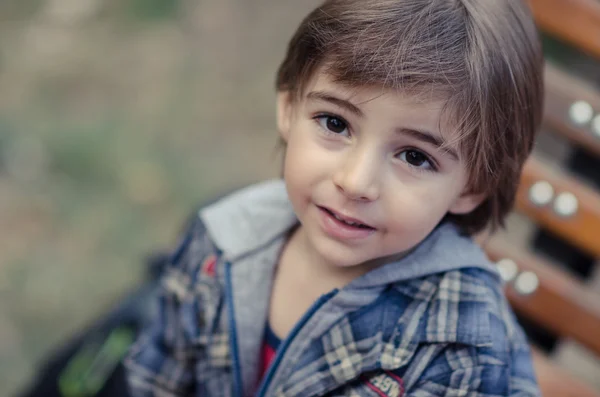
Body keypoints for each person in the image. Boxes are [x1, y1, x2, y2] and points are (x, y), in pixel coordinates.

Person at [123, 0, 544, 395]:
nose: (356, 181)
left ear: (472, 187)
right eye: (336, 123)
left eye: (415, 157)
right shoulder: (223, 241)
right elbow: (156, 380)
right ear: (289, 109)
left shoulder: (461, 344)